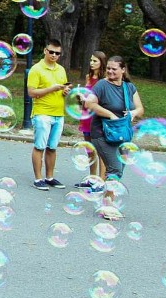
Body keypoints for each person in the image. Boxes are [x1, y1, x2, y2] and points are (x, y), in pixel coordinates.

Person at [84, 55, 144, 220]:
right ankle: (108, 207)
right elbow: (89, 104)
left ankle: (108, 202)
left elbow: (140, 109)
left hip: (122, 134)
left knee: (118, 170)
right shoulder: (102, 85)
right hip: (102, 133)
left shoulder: (129, 87)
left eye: (114, 69)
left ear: (123, 70)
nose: (110, 71)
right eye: (108, 68)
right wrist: (110, 114)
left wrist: (133, 113)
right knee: (115, 168)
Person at [29, 39, 70, 190]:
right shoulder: (36, 69)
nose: (54, 55)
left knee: (52, 147)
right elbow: (31, 92)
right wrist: (51, 89)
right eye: (51, 52)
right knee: (40, 146)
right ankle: (38, 179)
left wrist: (65, 91)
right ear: (45, 51)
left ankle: (50, 177)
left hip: (58, 114)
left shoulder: (61, 70)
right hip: (42, 113)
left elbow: (63, 89)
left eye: (57, 53)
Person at [75, 50, 107, 186]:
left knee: (100, 150)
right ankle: (91, 178)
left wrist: (86, 99)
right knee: (90, 149)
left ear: (102, 62)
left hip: (97, 117)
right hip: (86, 116)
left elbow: (104, 99)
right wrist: (80, 98)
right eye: (91, 60)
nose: (92, 63)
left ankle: (100, 181)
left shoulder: (104, 79)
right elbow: (87, 97)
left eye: (95, 61)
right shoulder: (89, 77)